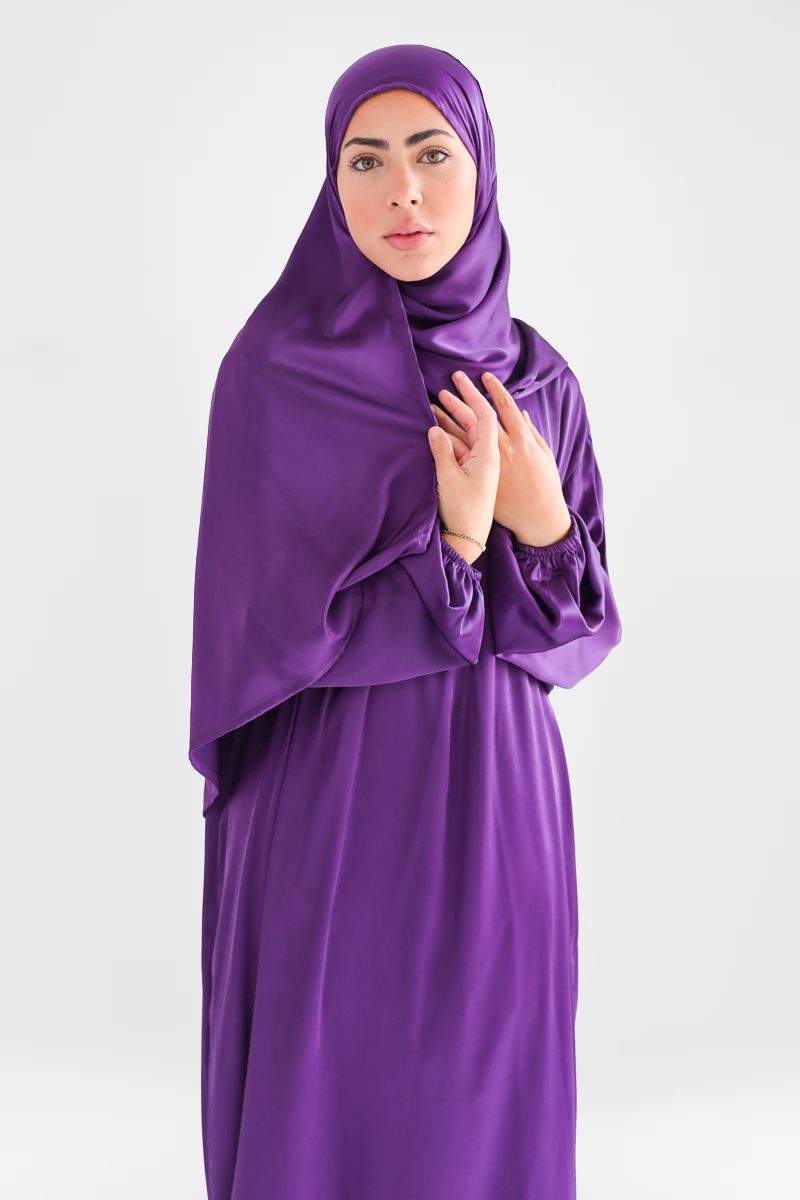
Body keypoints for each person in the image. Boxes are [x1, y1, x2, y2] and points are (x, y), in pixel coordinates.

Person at [189, 43, 622, 1200]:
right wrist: (458, 541)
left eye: (432, 155)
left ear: (480, 169)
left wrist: (541, 523)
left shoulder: (538, 384)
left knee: (482, 1083)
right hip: (328, 795)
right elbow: (263, 631)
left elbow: (572, 634)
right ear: (330, 183)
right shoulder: (273, 377)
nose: (403, 193)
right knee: (328, 1073)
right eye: (365, 161)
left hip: (496, 794)